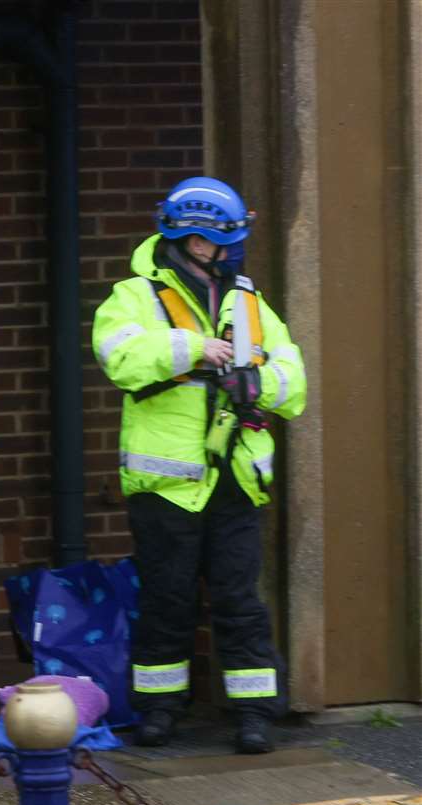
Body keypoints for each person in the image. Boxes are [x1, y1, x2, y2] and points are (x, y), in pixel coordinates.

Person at [92, 177, 307, 754]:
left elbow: (296, 381)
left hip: (234, 481)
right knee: (168, 599)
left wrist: (257, 382)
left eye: (225, 242)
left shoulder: (247, 302)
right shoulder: (136, 295)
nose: (220, 251)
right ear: (185, 237)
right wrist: (191, 349)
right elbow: (119, 356)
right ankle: (159, 710)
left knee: (240, 601)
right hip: (166, 485)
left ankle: (254, 713)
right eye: (210, 242)